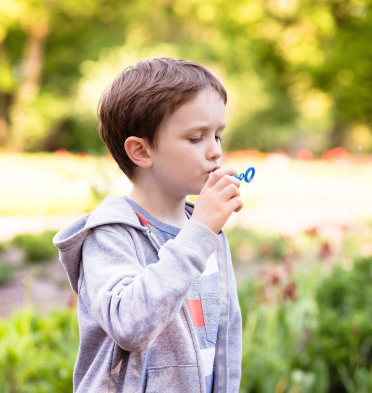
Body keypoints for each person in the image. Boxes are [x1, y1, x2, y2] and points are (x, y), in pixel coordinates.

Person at [53, 57, 243, 392]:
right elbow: (130, 324)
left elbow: (222, 339)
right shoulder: (110, 236)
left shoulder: (205, 231)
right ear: (141, 151)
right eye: (197, 138)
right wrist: (198, 233)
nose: (215, 152)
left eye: (218, 136)